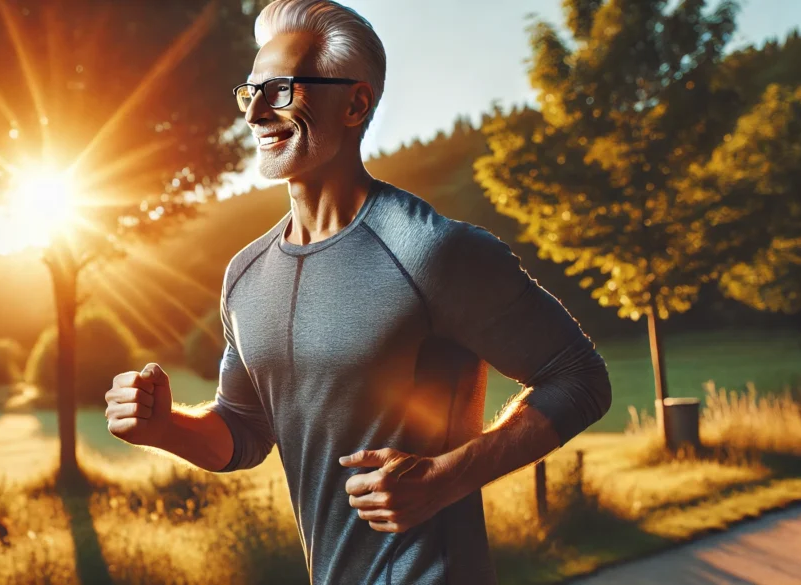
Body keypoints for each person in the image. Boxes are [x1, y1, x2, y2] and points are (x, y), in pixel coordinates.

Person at [105, 1, 612, 583]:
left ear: (355, 103)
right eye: (250, 93)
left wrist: (448, 478)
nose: (256, 114)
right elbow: (243, 432)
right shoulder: (245, 276)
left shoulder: (432, 250)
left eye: (281, 90)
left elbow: (580, 378)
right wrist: (163, 427)